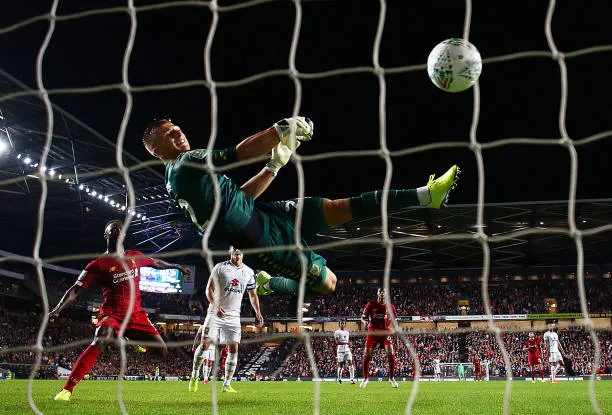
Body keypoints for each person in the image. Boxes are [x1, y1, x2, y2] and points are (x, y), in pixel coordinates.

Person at [142, 117, 459, 299]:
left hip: (267, 214)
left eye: (176, 127)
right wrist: (279, 130)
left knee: (338, 207)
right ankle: (269, 282)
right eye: (167, 133)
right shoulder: (186, 162)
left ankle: (426, 195)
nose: (177, 132)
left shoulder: (181, 178)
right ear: (156, 149)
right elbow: (236, 153)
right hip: (263, 241)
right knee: (328, 284)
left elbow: (239, 198)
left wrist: (274, 165)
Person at [50, 220, 191, 401]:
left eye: (121, 227)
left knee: (162, 351)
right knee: (101, 337)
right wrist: (57, 309)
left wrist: (177, 267)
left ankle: (128, 337)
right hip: (112, 313)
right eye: (113, 227)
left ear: (124, 234)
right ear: (106, 235)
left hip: (136, 314)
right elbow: (76, 289)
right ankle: (67, 389)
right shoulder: (98, 264)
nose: (118, 228)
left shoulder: (135, 256)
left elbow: (156, 263)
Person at [188, 247, 264, 393]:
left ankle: (227, 384)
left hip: (234, 316)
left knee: (234, 348)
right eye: (234, 248)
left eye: (239, 248)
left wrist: (258, 312)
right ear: (230, 251)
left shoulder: (249, 272)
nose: (237, 251)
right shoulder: (220, 267)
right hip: (215, 313)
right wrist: (216, 306)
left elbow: (253, 295)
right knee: (205, 345)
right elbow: (208, 289)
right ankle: (194, 376)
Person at [359, 288, 398, 389]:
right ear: (377, 294)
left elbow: (395, 321)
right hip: (373, 331)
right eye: (380, 293)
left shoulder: (391, 306)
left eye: (383, 293)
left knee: (391, 352)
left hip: (385, 332)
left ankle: (391, 378)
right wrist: (365, 322)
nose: (381, 295)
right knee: (367, 354)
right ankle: (365, 379)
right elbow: (363, 317)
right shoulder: (371, 304)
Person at [334, 320, 356, 385]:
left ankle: (352, 380)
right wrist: (347, 343)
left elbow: (347, 342)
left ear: (345, 324)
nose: (342, 324)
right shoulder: (337, 332)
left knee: (351, 363)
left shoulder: (347, 332)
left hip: (347, 350)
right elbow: (337, 342)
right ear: (339, 324)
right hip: (340, 351)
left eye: (343, 323)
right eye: (341, 323)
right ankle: (340, 379)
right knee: (341, 365)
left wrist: (349, 345)